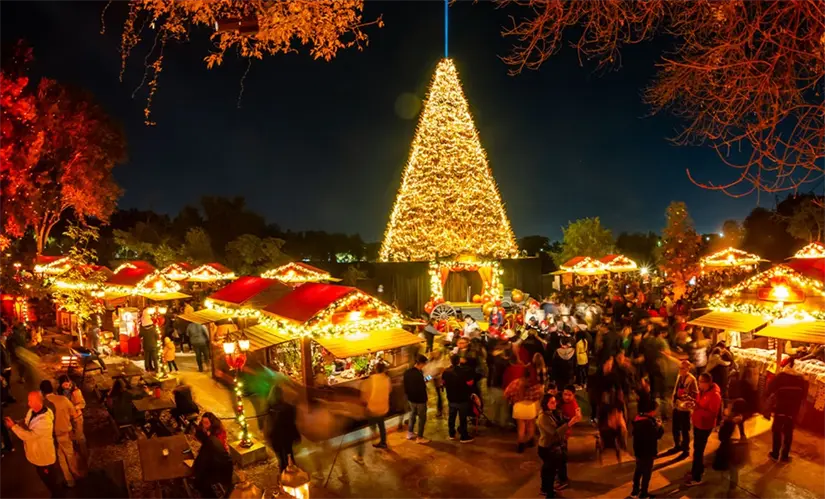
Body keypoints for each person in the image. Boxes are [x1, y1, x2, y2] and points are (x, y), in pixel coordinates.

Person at [5, 391, 62, 498]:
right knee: (46, 479)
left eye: (30, 401)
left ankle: (58, 496)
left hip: (44, 459)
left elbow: (29, 436)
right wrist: (18, 423)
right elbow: (27, 422)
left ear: (37, 402)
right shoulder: (32, 411)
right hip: (37, 455)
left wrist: (13, 427)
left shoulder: (44, 420)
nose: (28, 403)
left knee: (50, 481)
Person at [536, 393, 580, 497]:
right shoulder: (543, 417)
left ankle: (546, 489)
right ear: (545, 403)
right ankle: (548, 492)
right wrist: (569, 424)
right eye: (552, 402)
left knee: (549, 470)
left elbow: (562, 421)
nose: (555, 404)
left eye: (555, 402)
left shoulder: (551, 413)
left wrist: (574, 418)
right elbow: (554, 433)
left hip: (553, 446)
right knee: (549, 472)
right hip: (546, 447)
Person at [765, 360, 809, 462]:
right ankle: (785, 456)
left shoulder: (781, 377)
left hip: (780, 408)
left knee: (777, 430)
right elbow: (804, 396)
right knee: (788, 432)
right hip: (793, 410)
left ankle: (775, 454)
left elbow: (769, 389)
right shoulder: (801, 379)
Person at [41, 380, 81, 487]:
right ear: (52, 388)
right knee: (70, 455)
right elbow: (74, 414)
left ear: (42, 391)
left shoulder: (43, 404)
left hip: (53, 437)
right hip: (65, 434)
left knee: (61, 458)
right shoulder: (63, 399)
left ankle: (69, 480)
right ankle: (77, 475)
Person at [686, 373, 722, 486]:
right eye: (699, 381)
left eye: (701, 382)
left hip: (705, 426)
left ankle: (697, 477)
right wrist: (693, 402)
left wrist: (697, 409)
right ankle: (697, 470)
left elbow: (712, 414)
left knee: (698, 451)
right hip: (698, 423)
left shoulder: (715, 396)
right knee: (697, 448)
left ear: (708, 383)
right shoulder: (703, 391)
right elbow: (700, 404)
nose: (699, 384)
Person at [354, 362, 391, 463]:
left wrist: (365, 402)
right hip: (383, 407)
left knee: (372, 424)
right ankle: (383, 442)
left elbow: (364, 394)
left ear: (376, 369)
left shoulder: (372, 379)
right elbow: (389, 390)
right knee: (381, 424)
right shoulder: (387, 379)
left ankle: (373, 438)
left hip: (373, 408)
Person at [193, 416, 234, 499]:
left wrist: (195, 471)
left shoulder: (209, 444)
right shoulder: (212, 439)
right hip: (226, 466)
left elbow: (202, 464)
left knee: (201, 482)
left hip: (223, 472)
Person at [713, 399, 747, 496]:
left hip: (729, 447)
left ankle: (729, 489)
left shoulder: (730, 421)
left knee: (728, 468)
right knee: (733, 469)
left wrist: (723, 423)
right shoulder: (740, 419)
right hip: (736, 447)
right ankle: (732, 488)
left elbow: (722, 436)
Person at [631, 400, 664, 499]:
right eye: (655, 410)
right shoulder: (648, 423)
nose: (656, 412)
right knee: (646, 473)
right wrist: (659, 426)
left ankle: (635, 491)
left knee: (638, 470)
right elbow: (657, 436)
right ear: (651, 411)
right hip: (648, 452)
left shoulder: (638, 419)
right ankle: (644, 493)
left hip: (638, 450)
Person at [505, 368, 543, 453]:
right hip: (530, 407)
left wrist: (512, 400)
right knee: (530, 426)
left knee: (521, 428)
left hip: (518, 406)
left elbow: (506, 393)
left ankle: (520, 444)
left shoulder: (516, 383)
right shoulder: (535, 385)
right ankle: (529, 441)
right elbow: (540, 394)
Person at [668, 361, 697, 459]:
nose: (680, 370)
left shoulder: (692, 379)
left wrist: (687, 397)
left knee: (685, 430)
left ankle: (686, 449)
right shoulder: (679, 376)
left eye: (683, 368)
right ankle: (677, 445)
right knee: (675, 428)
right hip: (676, 406)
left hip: (685, 408)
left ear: (688, 369)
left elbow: (695, 394)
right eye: (680, 368)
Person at [58, 375, 87, 472]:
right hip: (68, 418)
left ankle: (84, 456)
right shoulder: (60, 393)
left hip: (77, 418)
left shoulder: (76, 391)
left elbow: (82, 403)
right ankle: (78, 456)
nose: (66, 384)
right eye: (64, 383)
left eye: (67, 382)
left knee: (80, 437)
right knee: (73, 437)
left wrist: (74, 408)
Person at [443, 355, 475, 443]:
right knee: (463, 418)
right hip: (462, 399)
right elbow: (470, 383)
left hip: (451, 398)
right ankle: (464, 436)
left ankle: (451, 434)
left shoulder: (446, 372)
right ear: (459, 361)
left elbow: (444, 383)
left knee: (451, 417)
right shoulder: (465, 371)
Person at [557, 385, 581, 491]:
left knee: (561, 459)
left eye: (569, 395)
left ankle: (563, 480)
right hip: (558, 434)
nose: (566, 397)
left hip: (563, 436)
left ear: (573, 395)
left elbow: (576, 419)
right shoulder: (560, 402)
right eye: (565, 394)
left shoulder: (574, 406)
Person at [404, 354, 430, 443]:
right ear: (421, 364)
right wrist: (431, 377)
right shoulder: (419, 374)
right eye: (424, 364)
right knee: (422, 418)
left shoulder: (407, 372)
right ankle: (420, 437)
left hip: (411, 399)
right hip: (420, 400)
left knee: (412, 415)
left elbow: (405, 386)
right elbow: (423, 385)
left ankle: (409, 433)